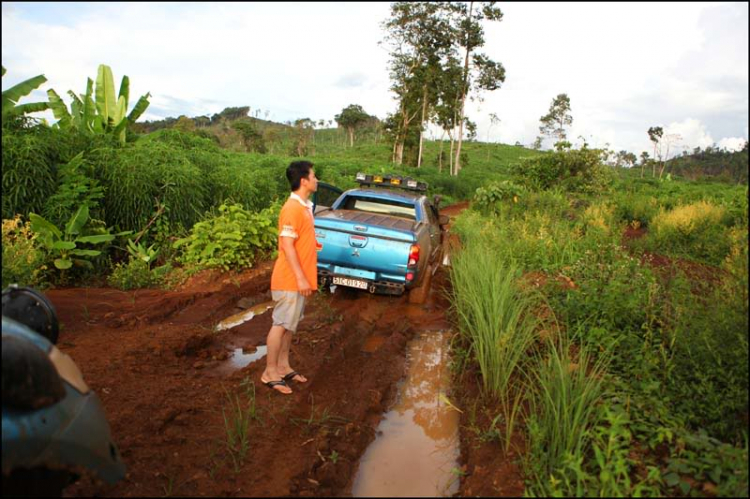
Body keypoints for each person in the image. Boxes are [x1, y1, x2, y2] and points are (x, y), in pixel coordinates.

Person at [261, 161, 319, 395]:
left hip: (299, 278)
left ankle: (283, 366)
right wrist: (301, 278)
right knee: (281, 325)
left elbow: (298, 240)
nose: (316, 179)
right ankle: (269, 372)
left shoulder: (305, 206)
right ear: (303, 181)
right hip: (290, 279)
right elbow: (286, 244)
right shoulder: (292, 208)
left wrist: (312, 246)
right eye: (314, 176)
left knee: (290, 326)